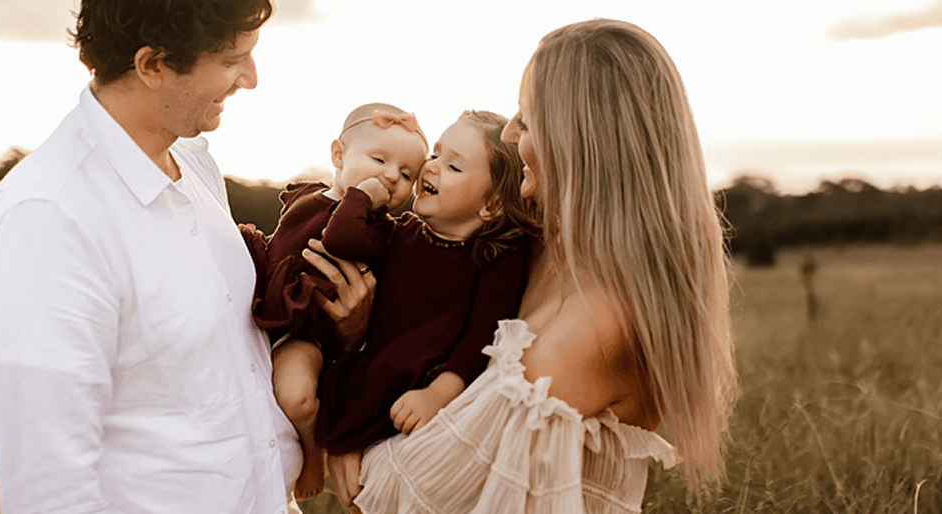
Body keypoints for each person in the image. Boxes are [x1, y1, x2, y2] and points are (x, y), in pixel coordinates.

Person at [0, 1, 374, 512]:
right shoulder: (47, 220)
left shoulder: (192, 162)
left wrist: (341, 334)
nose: (249, 77)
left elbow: (227, 356)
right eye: (231, 59)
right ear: (152, 65)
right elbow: (49, 492)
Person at [328, 19, 739, 513]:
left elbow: (422, 489)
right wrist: (353, 343)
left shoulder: (594, 326)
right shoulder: (539, 248)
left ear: (578, 137)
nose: (508, 131)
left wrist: (345, 438)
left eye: (527, 117)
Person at [310, 109, 538, 490]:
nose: (429, 169)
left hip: (432, 387)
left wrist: (439, 392)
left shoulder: (496, 258)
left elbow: (484, 334)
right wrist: (362, 195)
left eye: (453, 166)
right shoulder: (399, 234)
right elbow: (341, 238)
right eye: (434, 155)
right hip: (375, 378)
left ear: (493, 205)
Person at [238, 102, 428, 499]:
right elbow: (284, 237)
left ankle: (312, 454)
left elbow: (338, 238)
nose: (392, 176)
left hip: (304, 327)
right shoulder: (309, 192)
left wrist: (361, 196)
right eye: (379, 159)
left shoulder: (373, 227)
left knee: (296, 395)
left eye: (407, 174)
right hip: (268, 299)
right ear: (339, 154)